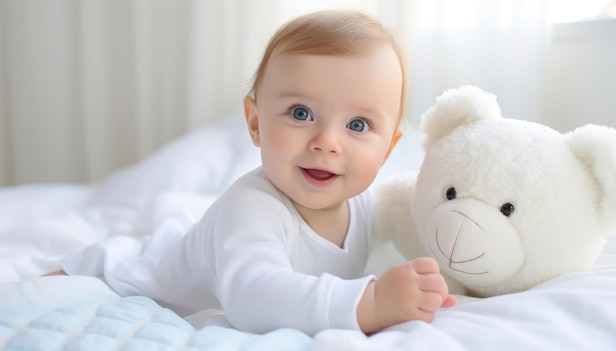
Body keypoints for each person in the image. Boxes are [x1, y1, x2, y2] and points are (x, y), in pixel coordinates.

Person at [49, 9, 456, 335]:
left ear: (388, 150)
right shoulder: (253, 208)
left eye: (358, 125)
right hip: (147, 268)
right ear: (256, 123)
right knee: (70, 273)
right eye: (301, 113)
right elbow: (252, 297)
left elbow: (416, 223)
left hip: (203, 239)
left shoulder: (366, 202)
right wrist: (371, 303)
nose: (327, 142)